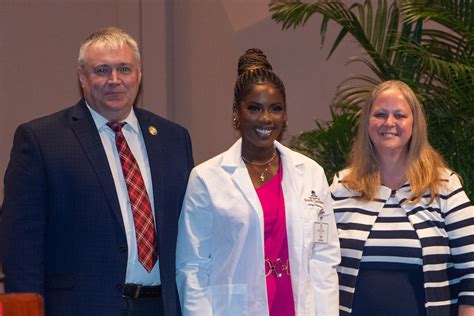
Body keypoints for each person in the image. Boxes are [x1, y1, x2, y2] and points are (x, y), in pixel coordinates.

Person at [0, 26, 193, 315]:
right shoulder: (42, 140)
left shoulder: (174, 138)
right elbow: (21, 246)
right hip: (80, 307)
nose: (114, 80)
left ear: (139, 74)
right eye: (101, 70)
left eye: (124, 69)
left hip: (161, 306)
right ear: (82, 77)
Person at [175, 48, 340, 315]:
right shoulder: (206, 179)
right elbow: (192, 267)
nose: (266, 119)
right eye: (254, 108)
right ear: (236, 112)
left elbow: (324, 259)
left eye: (275, 109)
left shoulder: (310, 173)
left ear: (285, 115)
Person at [331, 80, 474, 315]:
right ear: (367, 122)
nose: (389, 123)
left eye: (399, 115)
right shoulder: (342, 186)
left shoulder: (443, 185)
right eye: (380, 114)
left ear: (414, 124)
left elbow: (471, 270)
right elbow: (321, 263)